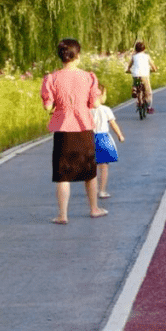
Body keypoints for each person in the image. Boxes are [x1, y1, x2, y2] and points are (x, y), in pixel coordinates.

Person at [41, 38, 108, 224]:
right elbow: (94, 103)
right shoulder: (88, 77)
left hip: (62, 129)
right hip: (84, 127)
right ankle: (94, 208)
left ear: (61, 57)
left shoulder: (51, 78)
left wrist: (57, 106)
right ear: (77, 56)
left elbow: (48, 107)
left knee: (63, 174)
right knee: (89, 171)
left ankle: (62, 215)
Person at [92, 86, 125, 198]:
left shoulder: (86, 110)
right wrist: (120, 135)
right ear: (100, 96)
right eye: (105, 94)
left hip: (89, 138)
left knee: (92, 166)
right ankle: (102, 190)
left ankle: (93, 189)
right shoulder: (106, 109)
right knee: (104, 166)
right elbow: (113, 124)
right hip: (103, 138)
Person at [126, 41, 159, 113]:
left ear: (135, 49)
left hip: (136, 75)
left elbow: (130, 65)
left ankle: (134, 89)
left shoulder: (134, 57)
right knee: (148, 92)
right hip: (144, 76)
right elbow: (153, 66)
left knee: (136, 81)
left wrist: (128, 70)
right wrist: (154, 69)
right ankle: (149, 107)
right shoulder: (147, 56)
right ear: (144, 49)